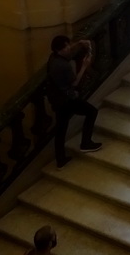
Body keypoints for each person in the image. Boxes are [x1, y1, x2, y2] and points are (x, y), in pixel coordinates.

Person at [46, 35, 102, 169]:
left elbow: (69, 54)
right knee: (92, 112)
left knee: (61, 129)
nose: (69, 48)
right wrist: (84, 66)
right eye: (66, 46)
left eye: (68, 45)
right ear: (59, 49)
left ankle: (60, 160)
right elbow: (75, 82)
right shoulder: (63, 66)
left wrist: (79, 43)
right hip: (67, 100)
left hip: (57, 100)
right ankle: (86, 143)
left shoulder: (53, 58)